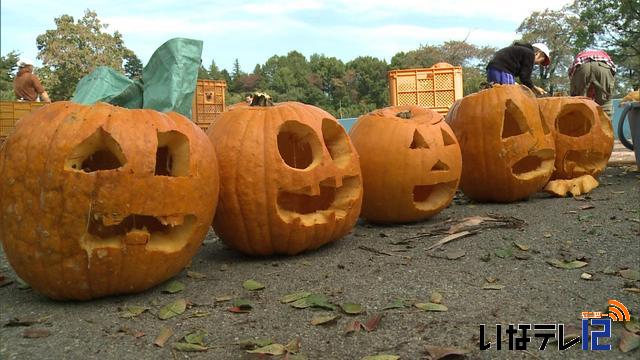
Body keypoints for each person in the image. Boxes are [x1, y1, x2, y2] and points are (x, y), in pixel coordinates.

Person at [486, 42, 551, 96]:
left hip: (492, 70)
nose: (538, 64)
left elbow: (521, 78)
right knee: (510, 99)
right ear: (539, 53)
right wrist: (535, 88)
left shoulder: (520, 51)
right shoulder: (530, 54)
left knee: (497, 96)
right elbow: (525, 78)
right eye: (541, 61)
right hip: (503, 70)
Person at [568, 49, 616, 116]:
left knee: (578, 103)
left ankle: (580, 124)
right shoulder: (604, 54)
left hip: (582, 65)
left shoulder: (580, 55)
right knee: (605, 104)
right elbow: (612, 72)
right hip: (603, 65)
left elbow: (571, 73)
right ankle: (605, 124)